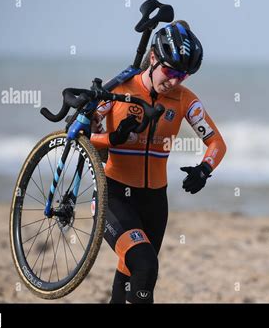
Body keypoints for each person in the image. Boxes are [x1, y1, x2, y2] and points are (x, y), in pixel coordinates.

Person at [90, 20, 226, 303]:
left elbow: (217, 143)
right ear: (153, 58)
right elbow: (81, 136)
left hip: (154, 202)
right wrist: (112, 139)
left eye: (184, 75)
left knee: (136, 273)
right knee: (145, 264)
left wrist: (204, 169)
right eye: (171, 71)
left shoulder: (185, 100)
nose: (175, 80)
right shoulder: (119, 90)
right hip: (113, 195)